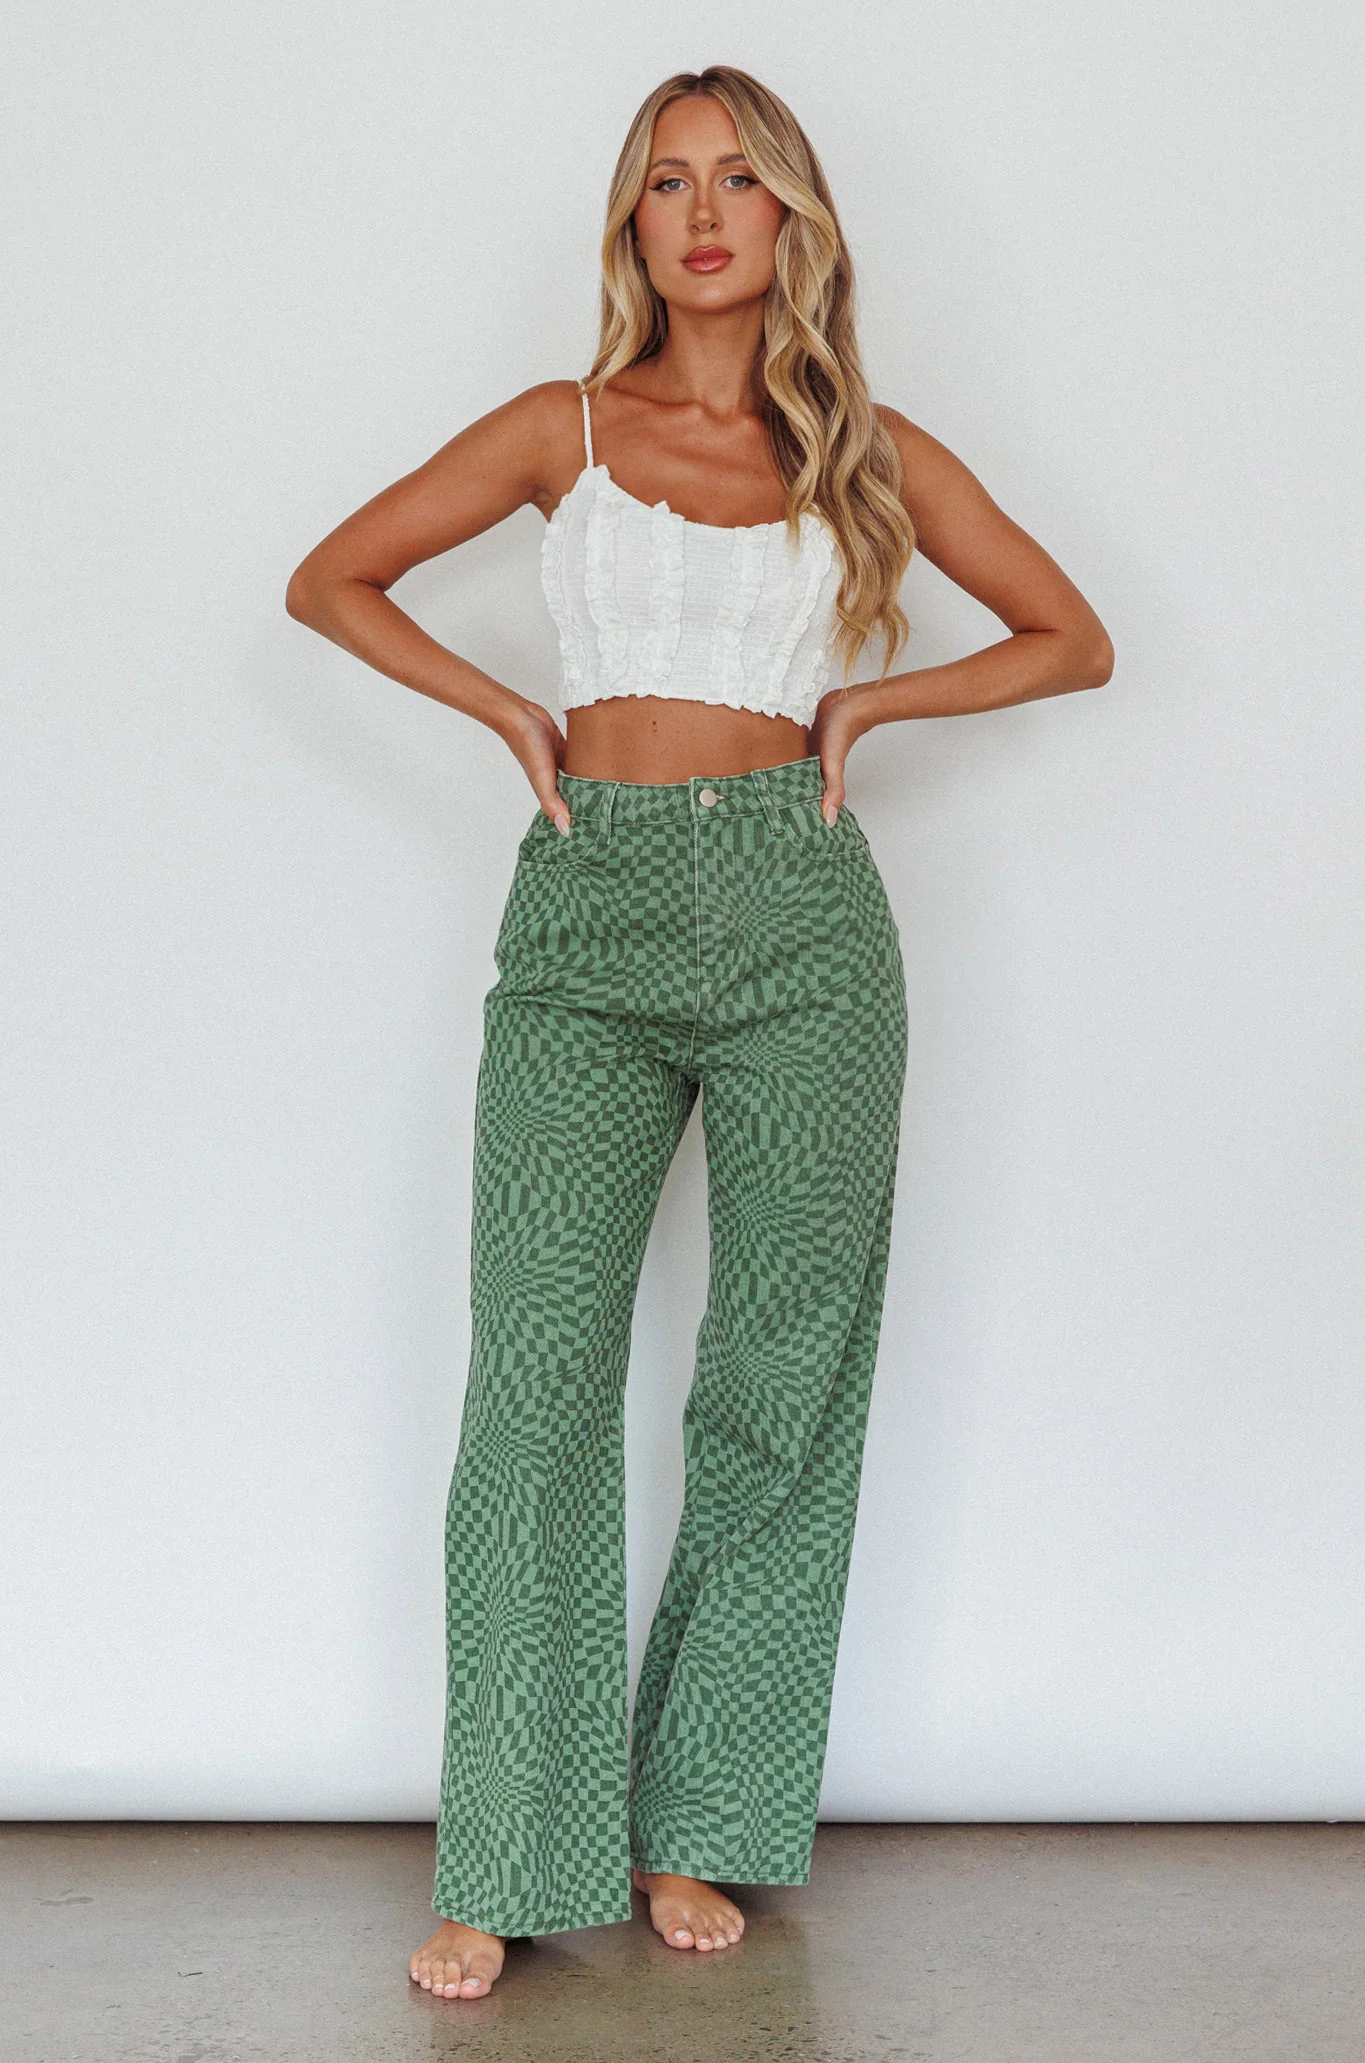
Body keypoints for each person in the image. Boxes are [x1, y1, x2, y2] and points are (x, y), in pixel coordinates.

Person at [284, 63, 1113, 2003]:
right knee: (535, 1386)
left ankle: (698, 1819)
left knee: (776, 1381)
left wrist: (871, 710)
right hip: (588, 909)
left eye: (740, 179)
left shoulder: (867, 448)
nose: (706, 212)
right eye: (668, 183)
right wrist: (508, 711)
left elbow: (1072, 637)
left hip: (804, 922)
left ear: (793, 217)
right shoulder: (560, 427)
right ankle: (504, 1849)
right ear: (633, 224)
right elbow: (329, 579)